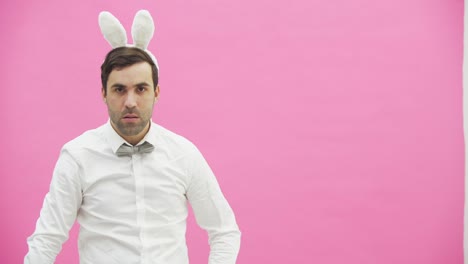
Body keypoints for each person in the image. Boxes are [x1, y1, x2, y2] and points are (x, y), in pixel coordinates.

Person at [25, 10, 240, 264]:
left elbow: (224, 231)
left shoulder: (184, 154)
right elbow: (47, 240)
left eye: (141, 89)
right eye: (119, 90)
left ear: (156, 92)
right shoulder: (77, 156)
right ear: (104, 93)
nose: (130, 102)